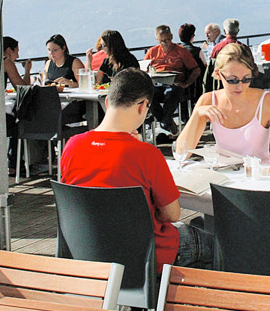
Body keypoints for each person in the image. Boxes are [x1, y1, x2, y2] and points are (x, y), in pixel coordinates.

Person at [61, 69, 209, 269]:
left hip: (89, 254)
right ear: (143, 107)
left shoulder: (72, 146)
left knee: (198, 226)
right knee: (220, 246)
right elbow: (172, 215)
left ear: (107, 102)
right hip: (147, 257)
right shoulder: (146, 155)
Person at [174, 42, 270, 173]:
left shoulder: (267, 102)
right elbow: (182, 153)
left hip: (259, 175)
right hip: (224, 177)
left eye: (246, 79)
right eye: (232, 80)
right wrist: (197, 114)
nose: (240, 86)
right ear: (218, 74)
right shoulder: (208, 100)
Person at [144, 23, 201, 129]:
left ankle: (165, 122)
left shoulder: (181, 50)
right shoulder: (152, 51)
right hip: (157, 84)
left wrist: (186, 83)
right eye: (162, 41)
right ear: (157, 40)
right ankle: (166, 122)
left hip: (175, 84)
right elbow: (143, 69)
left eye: (167, 40)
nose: (165, 43)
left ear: (172, 37)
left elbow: (195, 69)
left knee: (173, 92)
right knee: (148, 95)